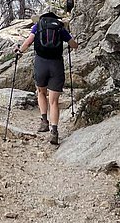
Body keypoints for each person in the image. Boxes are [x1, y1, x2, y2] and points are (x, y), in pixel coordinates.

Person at [15, 8, 77, 146]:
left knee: (41, 92)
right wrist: (74, 42)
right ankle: (54, 131)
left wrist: (19, 51)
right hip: (56, 65)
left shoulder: (38, 26)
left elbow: (28, 42)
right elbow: (73, 45)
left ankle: (44, 122)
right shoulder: (60, 28)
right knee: (54, 101)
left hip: (41, 64)